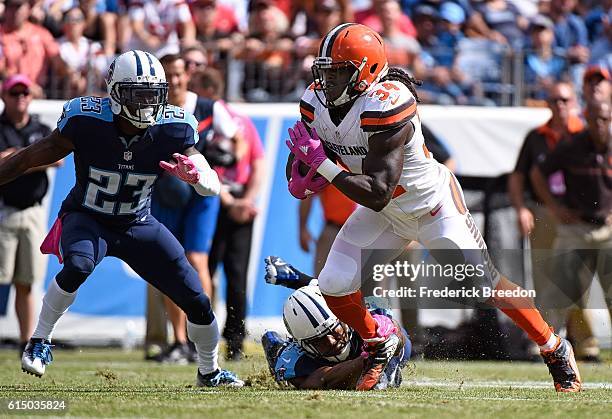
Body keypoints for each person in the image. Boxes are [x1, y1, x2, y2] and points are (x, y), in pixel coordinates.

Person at [286, 23, 581, 392]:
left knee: (484, 286)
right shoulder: (316, 102)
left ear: (366, 71)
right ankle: (380, 344)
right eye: (325, 72)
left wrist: (324, 167)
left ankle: (554, 348)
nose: (328, 81)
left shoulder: (387, 104)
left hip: (431, 207)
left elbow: (377, 190)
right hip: (388, 213)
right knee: (332, 283)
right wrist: (301, 170)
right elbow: (304, 154)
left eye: (339, 72)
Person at [0, 50, 242, 387]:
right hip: (87, 216)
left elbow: (211, 187)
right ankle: (39, 341)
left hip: (137, 222)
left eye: (153, 95)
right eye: (137, 95)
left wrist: (197, 177)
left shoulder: (173, 127)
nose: (146, 104)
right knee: (79, 265)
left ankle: (209, 371)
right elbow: (26, 159)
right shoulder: (87, 121)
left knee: (198, 299)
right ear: (115, 93)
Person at [147, 53, 241, 364]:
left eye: (178, 74)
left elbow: (238, 140)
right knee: (166, 260)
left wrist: (225, 160)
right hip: (165, 190)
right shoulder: (152, 109)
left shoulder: (209, 107)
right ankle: (179, 339)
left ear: (187, 74)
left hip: (202, 194)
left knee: (197, 259)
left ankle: (204, 334)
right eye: (168, 75)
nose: (174, 81)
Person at [190, 67, 265, 360]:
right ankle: (235, 342)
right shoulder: (243, 121)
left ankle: (201, 337)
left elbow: (206, 167)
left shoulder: (206, 121)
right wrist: (244, 199)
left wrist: (235, 202)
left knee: (205, 271)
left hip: (215, 203)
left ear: (206, 92)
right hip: (235, 203)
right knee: (236, 277)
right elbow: (258, 164)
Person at [530, 99, 612, 362]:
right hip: (575, 228)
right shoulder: (572, 146)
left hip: (608, 230)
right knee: (559, 290)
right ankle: (545, 343)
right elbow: (538, 174)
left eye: (606, 119)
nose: (600, 125)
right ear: (587, 118)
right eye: (596, 118)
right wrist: (555, 208)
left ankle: (587, 346)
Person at [261, 259, 410, 390]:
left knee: (400, 343)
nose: (331, 341)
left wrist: (386, 340)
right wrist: (367, 358)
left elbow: (398, 336)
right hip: (339, 361)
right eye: (319, 341)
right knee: (279, 363)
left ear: (343, 319)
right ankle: (275, 347)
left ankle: (295, 277)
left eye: (333, 331)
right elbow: (321, 381)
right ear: (303, 344)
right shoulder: (295, 358)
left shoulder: (369, 311)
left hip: (349, 309)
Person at [0, 75, 60, 353]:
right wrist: (32, 157)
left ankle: (27, 341)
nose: (21, 97)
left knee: (26, 281)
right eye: (15, 93)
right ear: (5, 96)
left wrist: (17, 157)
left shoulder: (41, 127)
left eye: (25, 92)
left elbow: (57, 158)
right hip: (4, 211)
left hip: (33, 212)